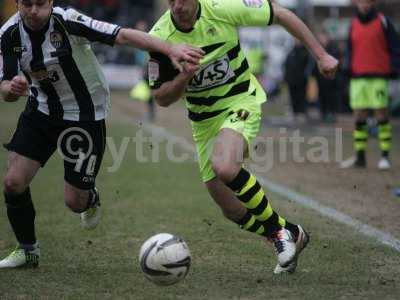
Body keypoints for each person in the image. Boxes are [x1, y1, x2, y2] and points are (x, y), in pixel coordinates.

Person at [0, 0, 203, 269]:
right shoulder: (9, 34)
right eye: (27, 4)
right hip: (42, 111)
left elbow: (123, 34)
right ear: (17, 4)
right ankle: (28, 250)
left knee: (75, 202)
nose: (34, 11)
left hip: (85, 116)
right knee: (13, 182)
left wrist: (170, 48)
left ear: (51, 2)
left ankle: (90, 196)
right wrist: (11, 88)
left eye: (41, 3)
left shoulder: (68, 21)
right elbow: (5, 89)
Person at [148, 0, 338, 274]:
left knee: (225, 167)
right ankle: (292, 232)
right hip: (203, 122)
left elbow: (282, 14)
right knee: (232, 209)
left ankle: (278, 235)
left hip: (241, 100)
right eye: (171, 0)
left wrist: (321, 55)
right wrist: (184, 78)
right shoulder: (159, 37)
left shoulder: (222, 8)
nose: (178, 6)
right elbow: (161, 98)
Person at [344, 0, 400, 169]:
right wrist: (347, 67)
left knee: (381, 115)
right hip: (358, 78)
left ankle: (385, 157)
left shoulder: (383, 21)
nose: (365, 4)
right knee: (359, 116)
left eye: (368, 1)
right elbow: (349, 49)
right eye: (362, 1)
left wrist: (394, 68)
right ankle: (360, 157)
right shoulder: (353, 24)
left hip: (379, 76)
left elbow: (396, 47)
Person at [313, 31, 340, 123]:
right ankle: (323, 113)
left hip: (332, 77)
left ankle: (332, 113)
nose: (322, 39)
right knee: (322, 96)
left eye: (323, 36)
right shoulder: (319, 49)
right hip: (321, 77)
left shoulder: (333, 47)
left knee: (331, 96)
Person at [284, 39, 312, 123]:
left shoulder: (305, 52)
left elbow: (307, 66)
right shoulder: (291, 51)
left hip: (301, 80)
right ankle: (295, 112)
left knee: (301, 96)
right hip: (291, 79)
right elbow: (287, 65)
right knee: (293, 96)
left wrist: (305, 76)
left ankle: (301, 112)